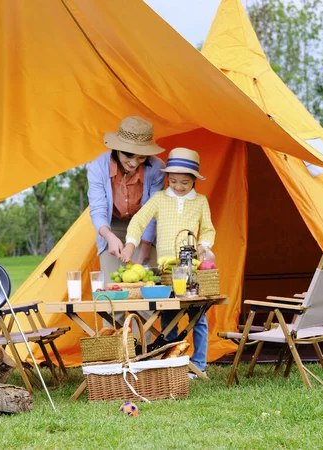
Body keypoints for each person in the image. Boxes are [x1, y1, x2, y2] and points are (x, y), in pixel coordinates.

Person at [121, 147, 216, 377]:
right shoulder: (160, 198)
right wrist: (131, 244)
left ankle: (198, 365)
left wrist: (204, 245)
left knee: (198, 319)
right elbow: (139, 220)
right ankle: (170, 364)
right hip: (167, 272)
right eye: (173, 181)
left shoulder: (200, 201)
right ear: (167, 178)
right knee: (168, 318)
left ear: (194, 180)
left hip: (191, 270)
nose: (179, 186)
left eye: (185, 182)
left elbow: (209, 229)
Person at [88, 115, 166, 278]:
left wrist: (142, 255)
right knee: (112, 287)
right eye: (129, 155)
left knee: (147, 284)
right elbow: (98, 209)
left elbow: (152, 214)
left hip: (144, 229)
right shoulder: (97, 167)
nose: (134, 163)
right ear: (117, 148)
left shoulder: (157, 168)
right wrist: (109, 236)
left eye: (141, 157)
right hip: (112, 226)